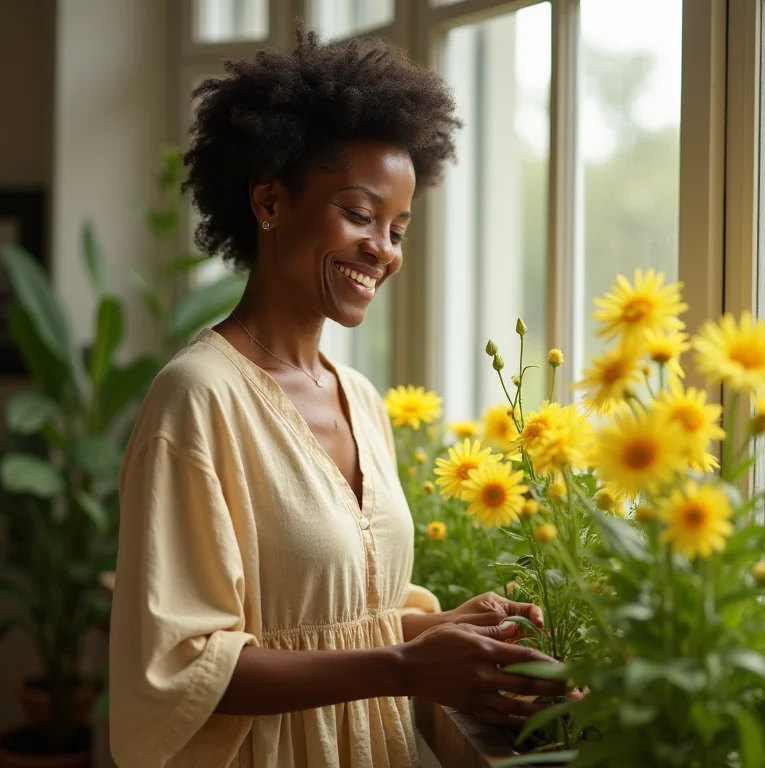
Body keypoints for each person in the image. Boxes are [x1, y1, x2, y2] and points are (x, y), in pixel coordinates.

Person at [108, 26, 566, 768]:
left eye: (398, 228)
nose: (383, 250)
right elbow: (184, 666)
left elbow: (344, 623)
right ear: (269, 202)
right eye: (359, 214)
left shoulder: (360, 398)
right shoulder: (195, 400)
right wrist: (403, 668)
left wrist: (447, 629)